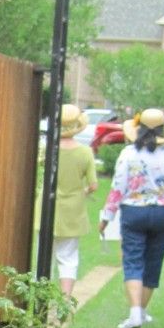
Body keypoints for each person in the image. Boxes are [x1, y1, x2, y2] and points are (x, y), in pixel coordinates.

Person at [99, 108, 164, 328]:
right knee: (153, 262)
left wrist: (106, 217)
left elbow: (117, 188)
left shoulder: (129, 154)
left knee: (133, 260)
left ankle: (135, 312)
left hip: (133, 211)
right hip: (163, 213)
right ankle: (142, 311)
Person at [51, 104, 98, 298]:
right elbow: (93, 184)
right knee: (68, 257)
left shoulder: (49, 149)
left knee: (44, 256)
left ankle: (37, 300)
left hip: (48, 209)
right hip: (73, 210)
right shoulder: (85, 152)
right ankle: (65, 297)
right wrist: (83, 191)